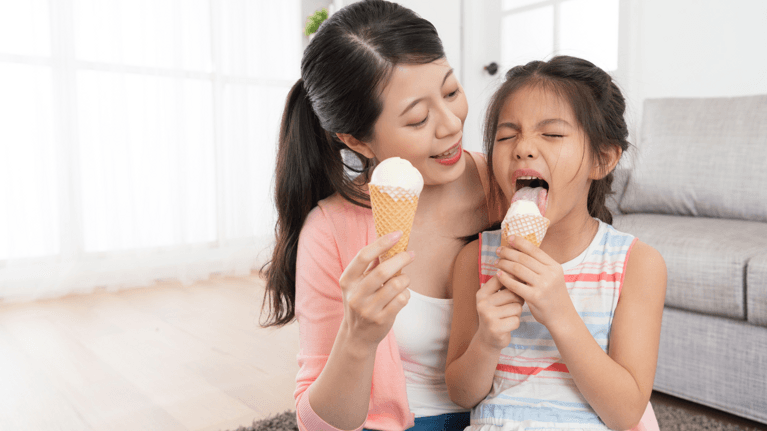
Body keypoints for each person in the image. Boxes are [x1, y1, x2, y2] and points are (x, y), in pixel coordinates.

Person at [260, 1, 503, 430]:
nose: (450, 124)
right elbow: (318, 423)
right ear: (357, 140)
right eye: (417, 119)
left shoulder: (505, 188)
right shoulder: (332, 230)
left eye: (450, 91)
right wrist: (357, 338)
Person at [445, 56, 667, 430]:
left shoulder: (636, 264)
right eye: (506, 135)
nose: (523, 148)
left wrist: (560, 314)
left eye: (552, 134)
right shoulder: (476, 259)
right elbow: (461, 393)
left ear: (603, 159)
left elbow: (627, 413)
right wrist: (487, 340)